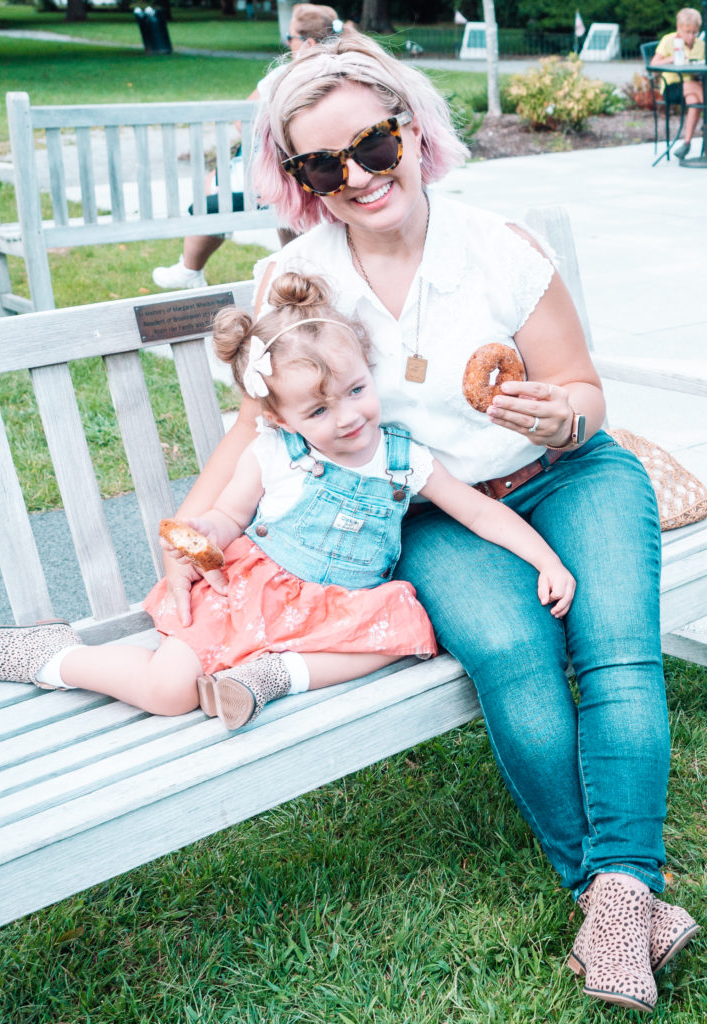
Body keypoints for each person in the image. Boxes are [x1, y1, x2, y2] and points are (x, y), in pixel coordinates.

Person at [154, 33, 698, 1013]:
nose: (358, 176)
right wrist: (190, 534)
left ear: (413, 131)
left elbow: (585, 389)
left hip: (572, 475)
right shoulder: (297, 281)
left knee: (617, 654)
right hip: (434, 511)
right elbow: (255, 424)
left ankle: (619, 887)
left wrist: (562, 411)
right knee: (513, 656)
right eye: (324, 164)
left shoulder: (498, 248)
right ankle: (614, 894)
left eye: (374, 144)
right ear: (298, 181)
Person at [0, 272, 575, 736]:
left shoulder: (404, 458)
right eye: (319, 409)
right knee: (170, 692)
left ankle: (273, 677)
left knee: (408, 630)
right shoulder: (275, 454)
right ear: (279, 416)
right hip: (250, 596)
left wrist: (547, 561)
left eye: (357, 390)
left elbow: (480, 511)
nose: (349, 416)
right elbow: (227, 517)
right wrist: (202, 536)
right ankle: (52, 657)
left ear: (368, 372)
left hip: (333, 612)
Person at [151, 4, 350, 291]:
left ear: (306, 44)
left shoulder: (282, 76)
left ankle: (188, 268)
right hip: (327, 177)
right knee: (245, 183)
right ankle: (293, 267)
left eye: (290, 39)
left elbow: (242, 120)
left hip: (288, 185)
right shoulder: (346, 69)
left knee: (222, 193)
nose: (287, 44)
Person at [651, 7, 705, 161]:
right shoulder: (669, 40)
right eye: (687, 32)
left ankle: (686, 144)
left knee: (694, 101)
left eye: (694, 32)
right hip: (671, 87)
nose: (691, 36)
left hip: (692, 87)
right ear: (679, 28)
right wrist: (672, 58)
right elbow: (654, 63)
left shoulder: (700, 45)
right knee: (699, 91)